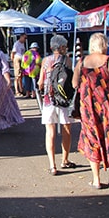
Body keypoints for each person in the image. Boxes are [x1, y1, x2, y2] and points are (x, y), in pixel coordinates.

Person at [72, 33, 109, 189]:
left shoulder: (81, 62)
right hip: (108, 108)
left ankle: (96, 179)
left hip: (88, 109)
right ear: (104, 44)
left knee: (92, 140)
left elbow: (74, 83)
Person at [38, 35, 75, 175]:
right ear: (61, 47)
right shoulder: (68, 60)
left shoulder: (46, 61)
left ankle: (52, 165)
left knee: (50, 132)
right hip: (64, 100)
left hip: (49, 99)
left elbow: (41, 82)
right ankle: (65, 160)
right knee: (66, 129)